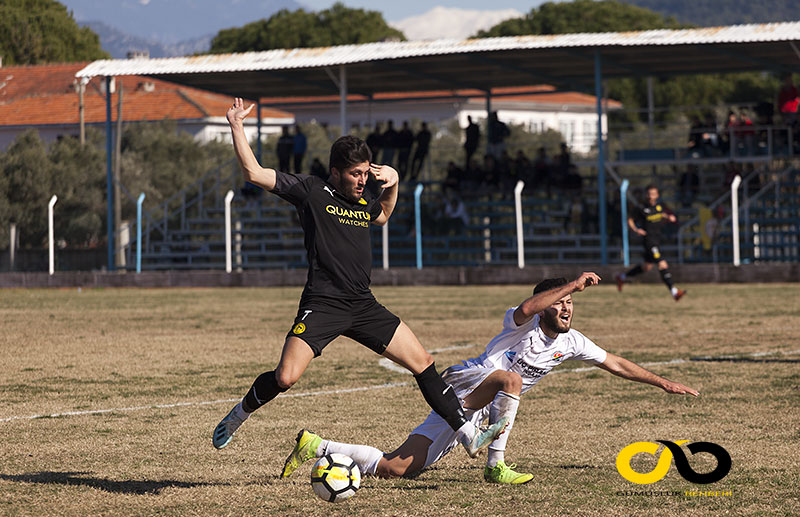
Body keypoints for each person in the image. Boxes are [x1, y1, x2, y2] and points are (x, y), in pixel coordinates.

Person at [213, 98, 508, 459]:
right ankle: (239, 414)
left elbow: (382, 216)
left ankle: (467, 433)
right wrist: (236, 126)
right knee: (286, 377)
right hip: (323, 303)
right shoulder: (311, 191)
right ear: (335, 172)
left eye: (367, 173)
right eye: (356, 174)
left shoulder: (364, 198)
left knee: (423, 362)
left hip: (363, 304)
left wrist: (395, 183)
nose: (363, 180)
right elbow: (254, 173)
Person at [280, 274, 699, 484]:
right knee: (509, 379)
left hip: (475, 412)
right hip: (466, 384)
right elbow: (528, 305)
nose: (568, 308)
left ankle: (317, 446)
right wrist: (571, 283)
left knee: (396, 469)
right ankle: (495, 465)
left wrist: (663, 382)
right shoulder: (520, 324)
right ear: (548, 307)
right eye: (563, 302)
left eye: (571, 303)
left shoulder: (573, 343)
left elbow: (618, 364)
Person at [616, 185, 686, 301]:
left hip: (658, 239)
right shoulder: (641, 208)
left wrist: (668, 217)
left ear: (657, 195)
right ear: (646, 194)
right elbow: (630, 219)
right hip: (649, 241)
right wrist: (636, 229)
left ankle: (622, 277)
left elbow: (661, 214)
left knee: (646, 266)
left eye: (653, 194)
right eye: (649, 194)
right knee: (662, 264)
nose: (651, 196)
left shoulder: (660, 206)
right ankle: (674, 292)